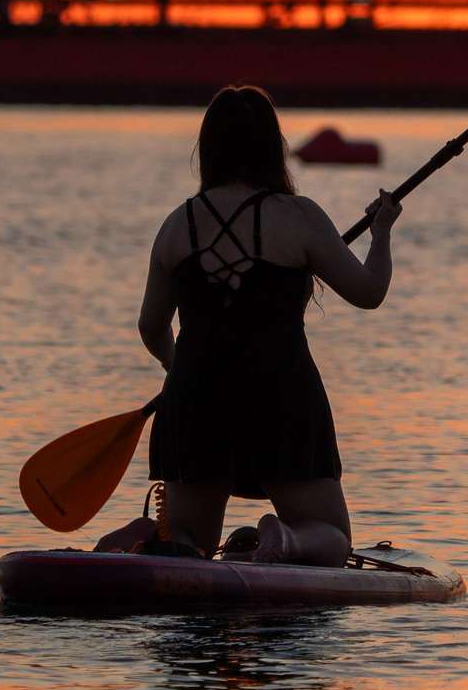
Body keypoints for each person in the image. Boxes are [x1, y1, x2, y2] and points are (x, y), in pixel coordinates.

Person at [130, 85, 399, 566]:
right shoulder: (299, 217)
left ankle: (153, 539)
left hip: (195, 397)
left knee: (189, 541)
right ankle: (287, 540)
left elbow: (151, 326)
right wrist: (380, 234)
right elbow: (368, 292)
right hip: (281, 395)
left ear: (208, 149)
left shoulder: (177, 225)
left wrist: (179, 372)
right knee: (332, 536)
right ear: (272, 147)